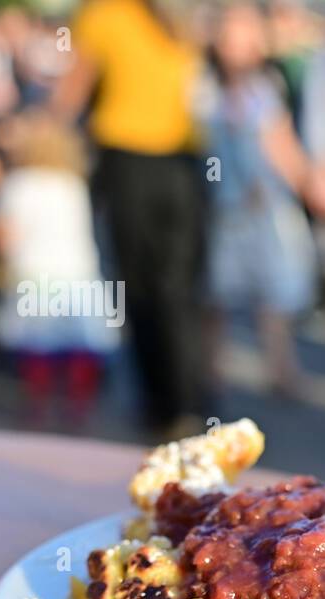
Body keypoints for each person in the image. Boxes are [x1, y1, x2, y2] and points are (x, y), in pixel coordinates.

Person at [52, 0, 208, 437]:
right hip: (183, 163)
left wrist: (42, 132)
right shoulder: (182, 17)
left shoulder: (103, 15)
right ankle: (186, 401)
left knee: (140, 284)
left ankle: (162, 401)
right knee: (178, 287)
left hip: (129, 162)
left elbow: (73, 88)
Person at [200, 0, 316, 399]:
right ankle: (210, 369)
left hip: (264, 208)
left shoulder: (266, 88)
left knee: (275, 298)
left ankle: (280, 367)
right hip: (222, 208)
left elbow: (281, 147)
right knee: (216, 295)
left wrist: (307, 182)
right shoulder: (203, 85)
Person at [0, 110, 117, 427]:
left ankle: (38, 409)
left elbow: (6, 234)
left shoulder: (17, 184)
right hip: (77, 272)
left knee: (38, 348)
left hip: (35, 274)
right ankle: (78, 409)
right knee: (80, 346)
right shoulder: (73, 184)